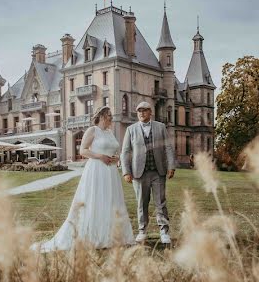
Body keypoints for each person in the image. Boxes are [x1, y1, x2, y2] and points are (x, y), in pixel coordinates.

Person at [33, 106, 134, 251]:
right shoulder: (93, 131)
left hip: (111, 172)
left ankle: (113, 236)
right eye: (109, 115)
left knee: (111, 201)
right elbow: (83, 151)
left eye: (111, 115)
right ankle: (93, 235)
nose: (111, 117)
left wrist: (116, 158)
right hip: (97, 170)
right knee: (96, 200)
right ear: (101, 116)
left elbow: (114, 150)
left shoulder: (110, 132)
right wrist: (100, 156)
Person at [120, 101, 176, 244]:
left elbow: (168, 147)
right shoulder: (131, 129)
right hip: (139, 173)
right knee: (141, 203)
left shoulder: (160, 127)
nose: (141, 113)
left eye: (144, 110)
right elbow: (125, 152)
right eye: (139, 111)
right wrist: (126, 171)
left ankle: (164, 232)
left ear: (150, 112)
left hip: (158, 171)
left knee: (160, 203)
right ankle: (142, 231)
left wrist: (171, 166)